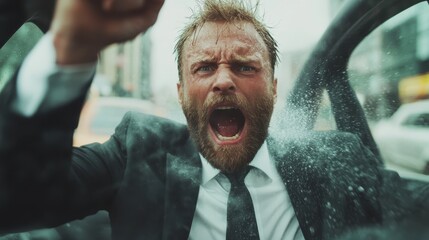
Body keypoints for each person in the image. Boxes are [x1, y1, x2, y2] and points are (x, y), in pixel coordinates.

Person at [0, 0, 427, 239]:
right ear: (182, 92)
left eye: (245, 66)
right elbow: (16, 201)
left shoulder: (335, 158)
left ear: (274, 87)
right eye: (204, 68)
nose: (223, 80)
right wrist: (70, 50)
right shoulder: (136, 152)